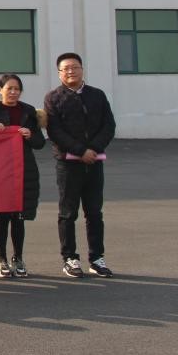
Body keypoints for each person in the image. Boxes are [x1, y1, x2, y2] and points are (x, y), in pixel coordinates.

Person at [44, 52, 116, 278]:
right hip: (68, 165)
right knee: (68, 213)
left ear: (82, 69)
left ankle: (97, 258)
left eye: (75, 67)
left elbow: (109, 125)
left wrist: (93, 149)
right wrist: (80, 151)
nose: (71, 71)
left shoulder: (97, 95)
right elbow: (55, 131)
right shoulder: (53, 98)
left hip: (94, 162)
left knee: (94, 212)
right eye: (66, 68)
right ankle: (70, 258)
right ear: (59, 73)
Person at [0, 73, 47, 278]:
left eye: (16, 89)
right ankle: (1, 259)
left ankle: (18, 258)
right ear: (0, 90)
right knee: (2, 217)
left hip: (23, 168)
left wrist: (30, 135)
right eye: (9, 88)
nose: (13, 92)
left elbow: (40, 143)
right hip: (0, 168)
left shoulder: (28, 111)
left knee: (19, 217)